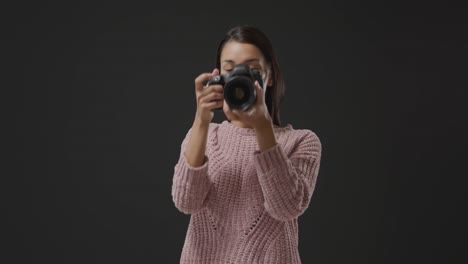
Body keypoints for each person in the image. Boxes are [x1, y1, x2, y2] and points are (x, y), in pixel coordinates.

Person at [171, 25, 322, 264]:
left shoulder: (302, 141)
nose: (239, 78)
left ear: (269, 76)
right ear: (217, 75)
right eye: (229, 69)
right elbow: (186, 201)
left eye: (252, 70)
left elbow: (286, 208)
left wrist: (262, 126)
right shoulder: (203, 136)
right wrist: (201, 119)